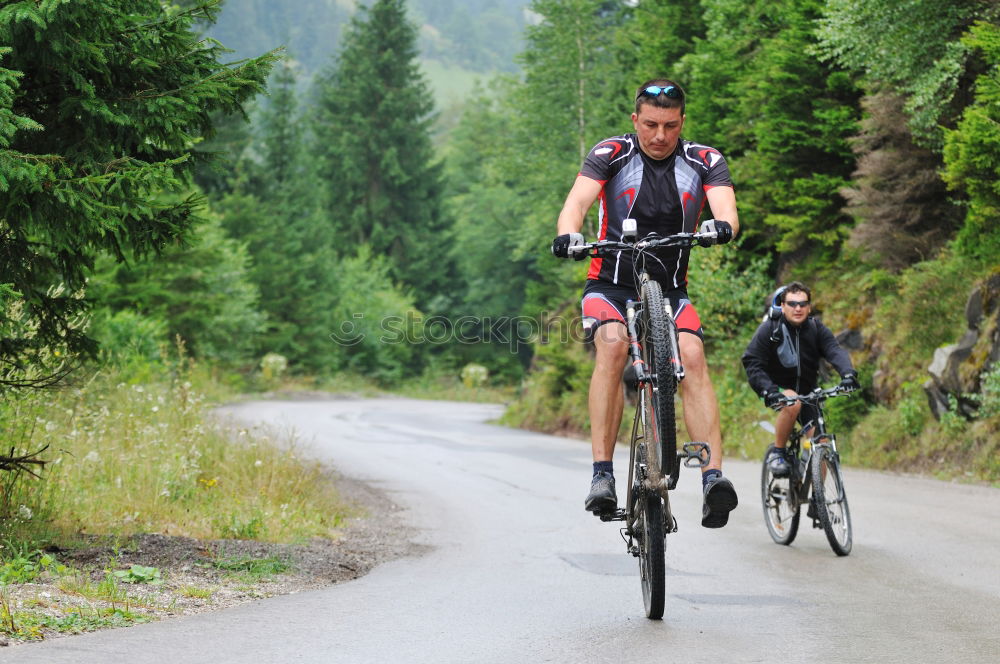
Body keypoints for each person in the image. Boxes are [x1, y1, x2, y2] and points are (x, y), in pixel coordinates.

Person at [550, 78, 740, 528]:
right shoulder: (611, 154)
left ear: (682, 123)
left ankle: (713, 478)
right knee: (613, 347)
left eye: (670, 126)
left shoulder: (704, 159)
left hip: (670, 290)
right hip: (610, 285)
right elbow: (576, 202)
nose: (659, 136)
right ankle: (602, 474)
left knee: (692, 355)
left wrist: (723, 226)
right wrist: (567, 234)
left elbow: (726, 209)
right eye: (650, 124)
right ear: (635, 120)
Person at [741, 281, 859, 477]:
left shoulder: (816, 328)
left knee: (821, 445)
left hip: (809, 392)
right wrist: (768, 390)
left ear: (809, 307)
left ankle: (816, 503)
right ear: (783, 305)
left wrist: (848, 374)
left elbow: (834, 351)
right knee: (792, 401)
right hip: (776, 389)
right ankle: (778, 453)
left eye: (803, 304)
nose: (798, 308)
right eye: (792, 303)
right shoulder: (770, 329)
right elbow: (752, 362)